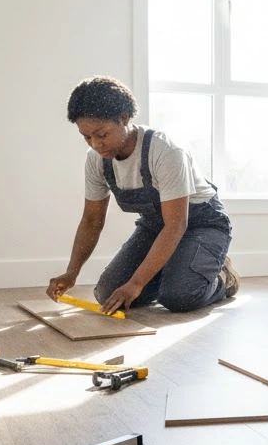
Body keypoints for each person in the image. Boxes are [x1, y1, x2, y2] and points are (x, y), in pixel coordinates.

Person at [47, 76, 237, 314]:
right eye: (87, 137)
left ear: (125, 118)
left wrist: (137, 283)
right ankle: (180, 269)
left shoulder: (165, 151)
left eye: (102, 134)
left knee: (179, 297)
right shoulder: (96, 159)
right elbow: (92, 220)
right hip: (156, 227)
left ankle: (221, 277)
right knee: (108, 293)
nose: (96, 144)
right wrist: (72, 272)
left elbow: (176, 225)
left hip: (201, 224)